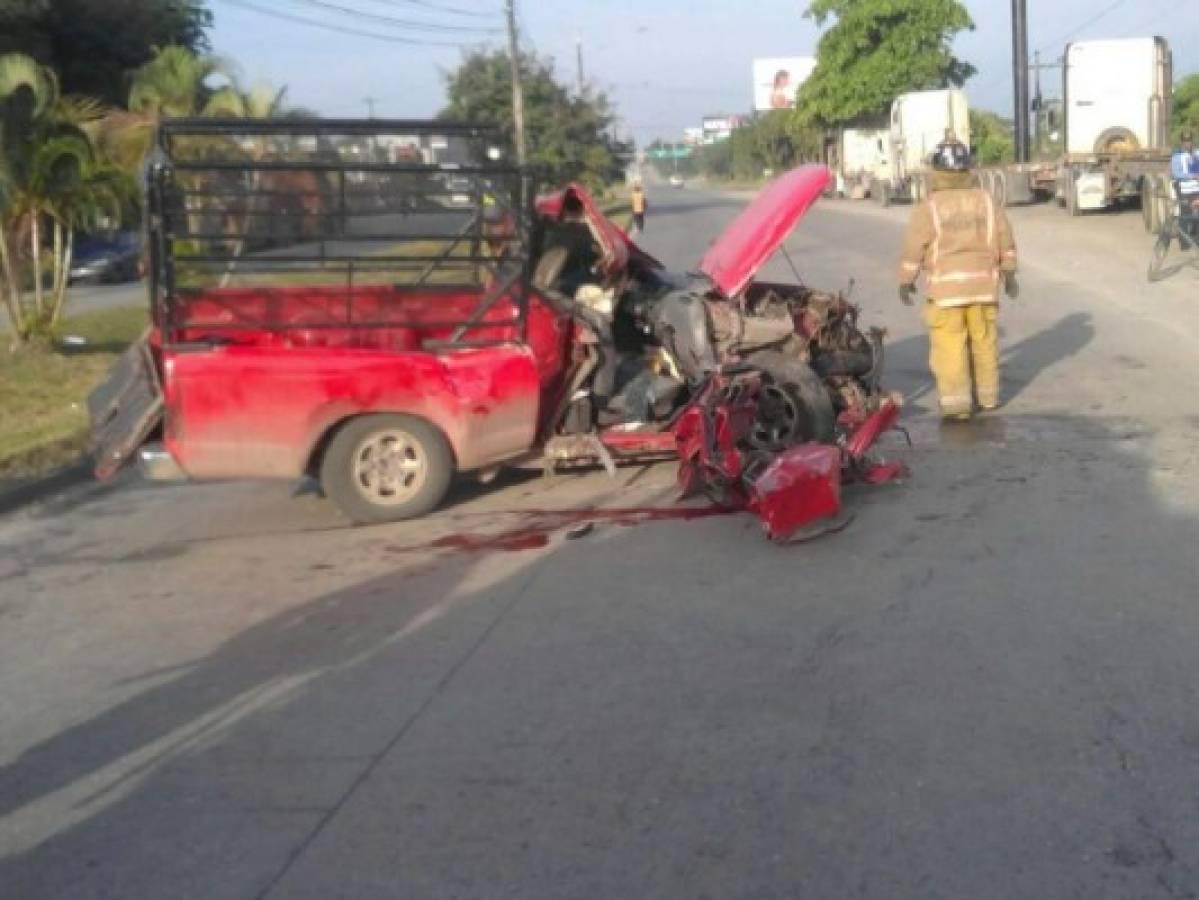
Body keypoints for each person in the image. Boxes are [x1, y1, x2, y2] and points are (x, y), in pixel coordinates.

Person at [897, 138, 1018, 421]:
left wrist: (906, 280)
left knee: (950, 347)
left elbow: (915, 247)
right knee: (984, 342)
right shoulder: (987, 202)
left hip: (946, 292)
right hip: (984, 289)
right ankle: (988, 398)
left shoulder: (929, 207)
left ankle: (957, 404)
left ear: (935, 171)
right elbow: (1005, 237)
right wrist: (1009, 273)